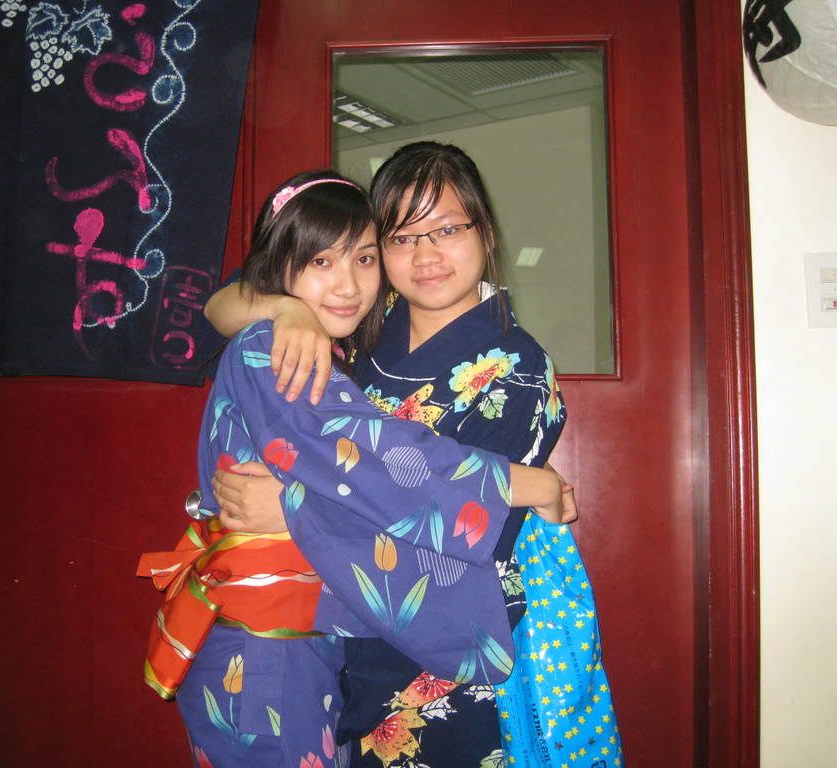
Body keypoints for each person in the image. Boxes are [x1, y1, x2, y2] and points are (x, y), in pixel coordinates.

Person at [137, 169, 572, 768]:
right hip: (275, 643)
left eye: (447, 229)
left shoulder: (515, 369)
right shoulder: (325, 335)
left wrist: (293, 508)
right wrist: (526, 484)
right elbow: (372, 458)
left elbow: (408, 498)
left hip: (393, 661)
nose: (425, 255)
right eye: (402, 238)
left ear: (485, 232)